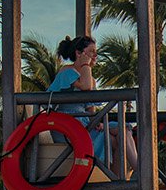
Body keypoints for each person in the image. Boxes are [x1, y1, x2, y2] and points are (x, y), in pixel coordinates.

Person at [49, 35, 137, 176]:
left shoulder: (90, 79)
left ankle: (121, 181)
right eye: (91, 51)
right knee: (115, 137)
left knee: (123, 131)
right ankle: (138, 171)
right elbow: (85, 87)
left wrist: (98, 123)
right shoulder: (67, 71)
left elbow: (91, 111)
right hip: (67, 126)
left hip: (84, 124)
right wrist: (85, 65)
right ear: (79, 53)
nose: (96, 55)